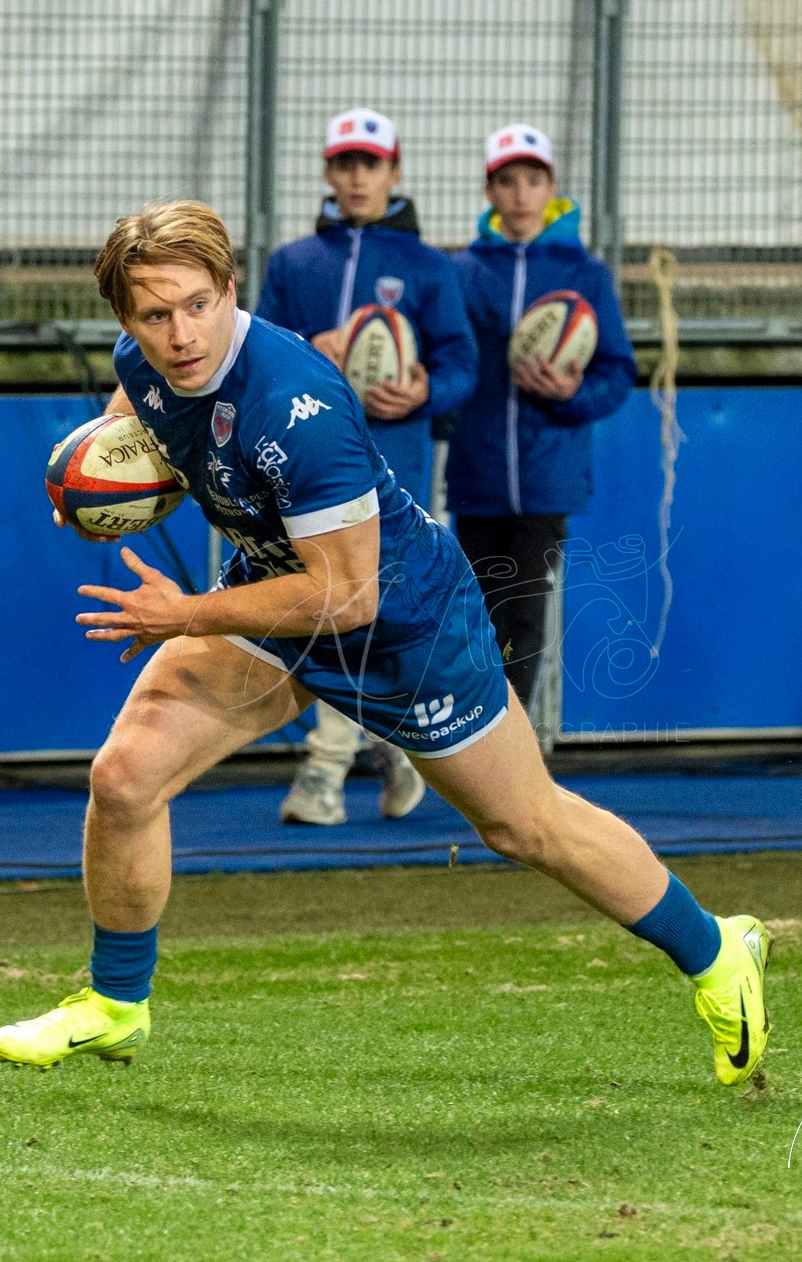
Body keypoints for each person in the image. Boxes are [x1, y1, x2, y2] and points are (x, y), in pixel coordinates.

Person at [0, 200, 771, 1087]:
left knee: (525, 827)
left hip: (404, 624)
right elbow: (141, 412)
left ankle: (718, 951)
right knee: (124, 778)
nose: (180, 334)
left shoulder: (294, 406)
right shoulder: (145, 359)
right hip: (277, 595)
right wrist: (98, 474)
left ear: (231, 289)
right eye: (155, 315)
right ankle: (113, 1009)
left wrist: (189, 615)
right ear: (126, 320)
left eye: (199, 304)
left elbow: (347, 597)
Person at [255, 107, 479, 827]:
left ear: (395, 171)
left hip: (398, 470)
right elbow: (254, 357)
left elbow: (460, 366)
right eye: (345, 163)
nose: (357, 177)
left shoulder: (428, 267)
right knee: (329, 613)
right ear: (327, 172)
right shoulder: (293, 264)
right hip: (303, 474)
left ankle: (329, 768)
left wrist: (423, 390)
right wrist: (307, 349)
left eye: (371, 164)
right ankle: (394, 755)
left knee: (367, 616)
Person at [447, 124, 637, 710]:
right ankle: (476, 740)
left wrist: (569, 393)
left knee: (526, 615)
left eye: (533, 180)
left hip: (546, 476)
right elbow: (450, 361)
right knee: (478, 614)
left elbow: (617, 372)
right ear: (489, 190)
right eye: (508, 182)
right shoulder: (464, 271)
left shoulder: (585, 274)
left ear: (552, 186)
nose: (521, 195)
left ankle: (516, 744)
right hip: (477, 477)